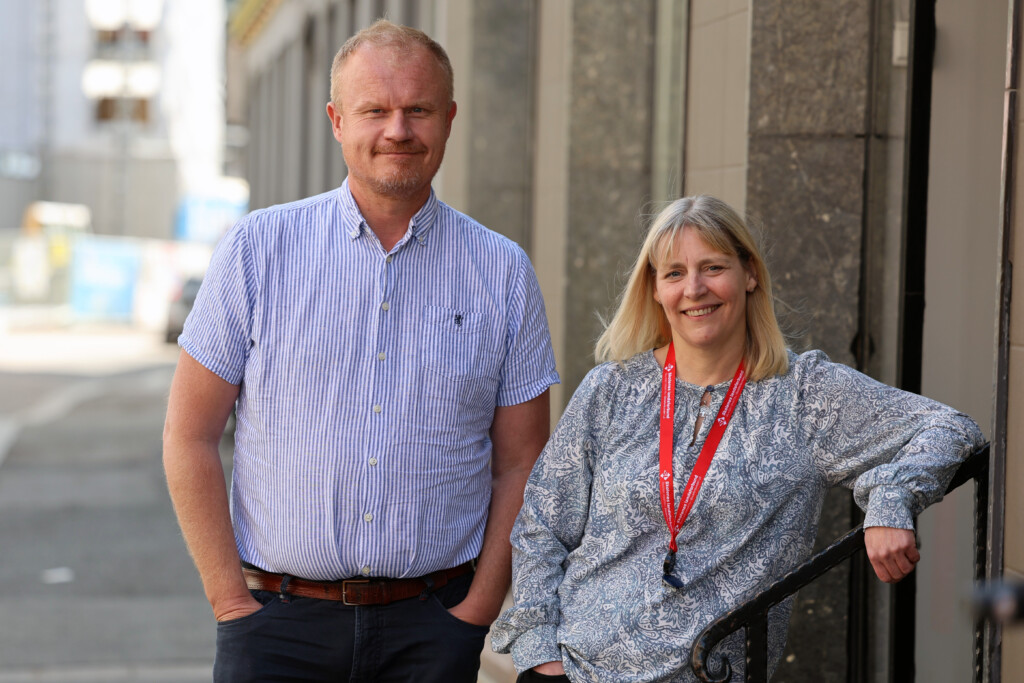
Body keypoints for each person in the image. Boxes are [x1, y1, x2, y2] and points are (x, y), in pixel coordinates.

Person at [162, 19, 558, 682]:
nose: (397, 130)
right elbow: (189, 435)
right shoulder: (256, 252)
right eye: (375, 110)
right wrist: (231, 601)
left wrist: (477, 610)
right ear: (336, 120)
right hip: (277, 628)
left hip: (432, 630)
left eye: (418, 109)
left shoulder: (503, 271)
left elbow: (522, 463)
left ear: (450, 119)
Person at [490, 195, 984, 682]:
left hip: (709, 673)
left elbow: (951, 428)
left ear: (749, 275)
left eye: (713, 267)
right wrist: (540, 658)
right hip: (576, 670)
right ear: (656, 290)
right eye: (675, 273)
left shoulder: (805, 394)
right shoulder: (611, 389)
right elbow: (541, 526)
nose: (695, 289)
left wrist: (891, 498)